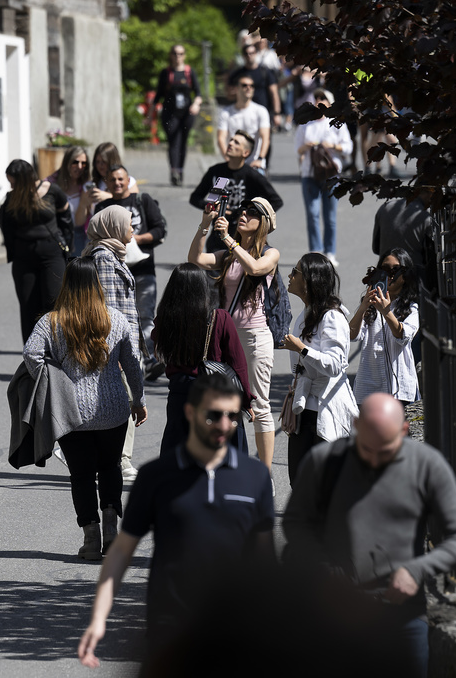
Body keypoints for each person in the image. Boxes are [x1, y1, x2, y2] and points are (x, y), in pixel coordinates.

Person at [282, 394, 456, 678]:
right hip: (337, 616)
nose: (373, 461)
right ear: (355, 426)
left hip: (403, 620)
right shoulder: (324, 462)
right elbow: (295, 526)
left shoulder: (426, 465)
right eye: (366, 448)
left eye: (384, 451)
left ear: (404, 431)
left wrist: (418, 569)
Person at [77, 373, 273, 664]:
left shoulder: (254, 477)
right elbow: (121, 552)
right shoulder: (156, 476)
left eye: (232, 416)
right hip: (169, 628)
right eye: (214, 415)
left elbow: (265, 560)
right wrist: (98, 617)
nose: (224, 425)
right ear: (191, 412)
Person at [24, 257, 147, 561]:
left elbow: (31, 353)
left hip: (70, 412)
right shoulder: (115, 319)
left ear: (67, 284)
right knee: (110, 468)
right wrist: (138, 400)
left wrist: (53, 376)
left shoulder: (52, 321)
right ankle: (110, 529)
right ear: (96, 283)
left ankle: (90, 539)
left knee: (80, 475)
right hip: (113, 409)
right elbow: (133, 364)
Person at [188, 197, 283, 470]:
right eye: (243, 210)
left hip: (254, 338)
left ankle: (263, 475)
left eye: (252, 212)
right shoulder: (230, 254)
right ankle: (230, 464)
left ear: (262, 223)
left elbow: (255, 269)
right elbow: (195, 259)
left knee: (260, 406)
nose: (243, 214)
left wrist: (229, 239)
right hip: (227, 336)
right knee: (227, 404)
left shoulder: (270, 253)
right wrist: (204, 226)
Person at [151, 264, 251, 456]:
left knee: (179, 456)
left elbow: (158, 352)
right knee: (220, 452)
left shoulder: (165, 319)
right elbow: (238, 364)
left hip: (179, 393)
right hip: (213, 392)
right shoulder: (220, 318)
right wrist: (246, 400)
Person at [282, 252, 358, 483]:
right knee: (300, 480)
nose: (289, 275)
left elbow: (335, 365)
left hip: (324, 408)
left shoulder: (332, 317)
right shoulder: (304, 316)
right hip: (304, 409)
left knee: (322, 485)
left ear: (309, 281)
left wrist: (302, 349)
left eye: (295, 272)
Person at [82, 206, 141, 482]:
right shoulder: (104, 257)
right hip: (115, 344)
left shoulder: (113, 254)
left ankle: (117, 457)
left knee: (124, 398)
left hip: (124, 341)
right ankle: (119, 458)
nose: (132, 229)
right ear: (113, 227)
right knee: (123, 399)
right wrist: (114, 347)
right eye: (128, 224)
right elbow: (107, 306)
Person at [92, 164, 167, 379]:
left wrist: (135, 240)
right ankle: (119, 365)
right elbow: (95, 235)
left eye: (121, 179)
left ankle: (148, 361)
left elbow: (160, 230)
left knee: (144, 317)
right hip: (113, 274)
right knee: (114, 319)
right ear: (106, 183)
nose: (117, 183)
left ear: (128, 181)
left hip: (143, 270)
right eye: (112, 180)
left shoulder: (142, 201)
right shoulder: (103, 207)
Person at [0, 158, 72, 342]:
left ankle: (57, 355)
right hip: (24, 259)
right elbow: (6, 226)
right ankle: (31, 360)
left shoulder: (52, 191)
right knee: (29, 308)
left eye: (13, 182)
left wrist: (68, 249)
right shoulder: (12, 198)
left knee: (53, 305)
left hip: (52, 256)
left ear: (24, 179)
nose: (11, 186)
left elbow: (66, 220)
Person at [188, 130, 284, 254]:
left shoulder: (252, 176)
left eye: (236, 142)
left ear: (246, 152)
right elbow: (195, 198)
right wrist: (211, 207)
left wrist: (249, 214)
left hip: (243, 239)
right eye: (231, 140)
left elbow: (276, 201)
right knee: (213, 271)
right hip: (217, 236)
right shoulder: (216, 171)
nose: (231, 144)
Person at [351, 249, 421, 406]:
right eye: (385, 269)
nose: (390, 275)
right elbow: (352, 335)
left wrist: (386, 312)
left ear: (405, 275)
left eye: (395, 270)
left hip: (399, 389)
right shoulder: (370, 304)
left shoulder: (412, 307)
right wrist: (363, 307)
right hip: (368, 387)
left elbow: (403, 336)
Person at [295, 88, 353, 266]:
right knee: (312, 214)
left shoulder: (336, 123)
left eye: (323, 98)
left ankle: (330, 252)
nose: (319, 101)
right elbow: (298, 150)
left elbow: (348, 148)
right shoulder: (305, 124)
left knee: (330, 216)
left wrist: (333, 145)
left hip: (330, 175)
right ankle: (315, 251)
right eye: (316, 98)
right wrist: (307, 145)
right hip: (310, 174)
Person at [153, 44, 202, 186]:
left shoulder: (189, 72)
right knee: (174, 141)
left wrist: (196, 104)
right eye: (175, 53)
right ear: (171, 55)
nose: (177, 56)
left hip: (187, 113)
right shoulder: (166, 73)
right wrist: (151, 114)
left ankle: (180, 171)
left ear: (184, 56)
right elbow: (158, 94)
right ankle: (174, 171)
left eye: (180, 54)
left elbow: (198, 93)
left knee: (183, 143)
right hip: (170, 113)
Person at [373, 195, 436, 295]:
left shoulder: (385, 208)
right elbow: (429, 258)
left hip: (385, 280)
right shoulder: (425, 217)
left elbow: (376, 248)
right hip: (413, 281)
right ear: (425, 192)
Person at [228, 40, 281, 142]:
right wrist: (235, 93)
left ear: (256, 54)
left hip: (263, 112)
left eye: (252, 53)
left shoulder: (265, 72)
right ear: (243, 56)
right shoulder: (238, 74)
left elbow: (274, 93)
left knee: (265, 142)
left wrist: (277, 113)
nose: (249, 56)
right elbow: (229, 94)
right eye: (246, 54)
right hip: (243, 113)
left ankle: (262, 158)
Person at [217, 74, 271, 172]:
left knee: (258, 186)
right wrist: (228, 159)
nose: (248, 88)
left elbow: (265, 138)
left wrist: (260, 159)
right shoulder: (226, 112)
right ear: (237, 89)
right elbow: (221, 138)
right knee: (219, 186)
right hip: (232, 163)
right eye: (244, 85)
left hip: (254, 164)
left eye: (251, 86)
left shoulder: (261, 111)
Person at [47, 144, 91, 256]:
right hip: (55, 235)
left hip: (79, 236)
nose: (80, 166)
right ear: (67, 162)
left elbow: (82, 220)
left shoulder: (87, 185)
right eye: (75, 162)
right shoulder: (52, 183)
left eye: (83, 163)